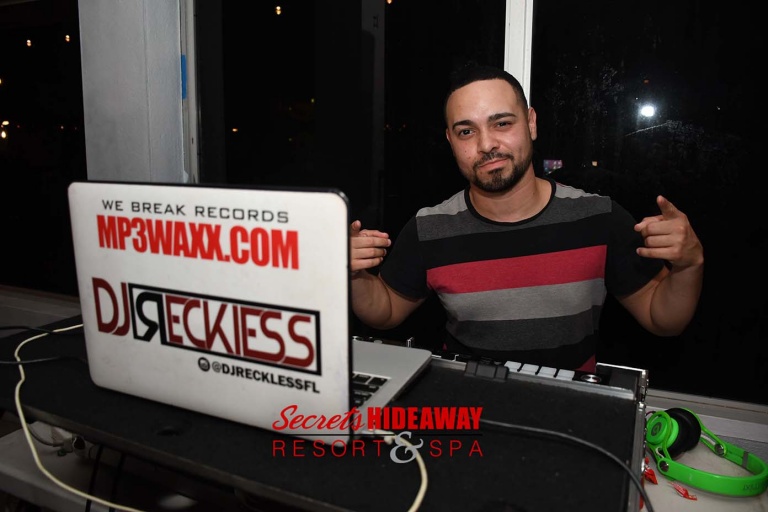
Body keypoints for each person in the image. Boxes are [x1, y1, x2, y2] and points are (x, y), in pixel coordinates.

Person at [349, 64, 704, 372]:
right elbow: (386, 312)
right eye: (466, 131)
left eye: (502, 123)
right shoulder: (429, 228)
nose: (486, 144)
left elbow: (664, 319)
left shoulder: (598, 217)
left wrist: (689, 265)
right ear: (451, 141)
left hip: (570, 411)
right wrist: (353, 274)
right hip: (469, 407)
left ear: (531, 123)